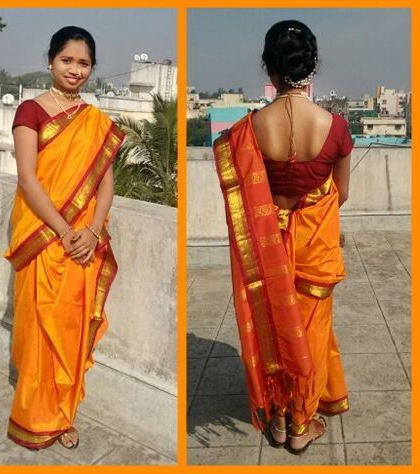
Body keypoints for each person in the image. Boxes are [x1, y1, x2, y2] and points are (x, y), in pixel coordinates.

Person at [213, 20, 352, 455]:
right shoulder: (336, 127)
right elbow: (340, 193)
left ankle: (276, 418)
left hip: (265, 242)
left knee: (271, 326)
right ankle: (301, 424)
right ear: (311, 66)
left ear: (269, 71)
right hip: (317, 244)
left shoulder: (250, 128)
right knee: (308, 331)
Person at [4, 26, 125, 450]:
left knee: (72, 331)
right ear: (51, 60)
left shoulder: (96, 122)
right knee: (40, 329)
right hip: (45, 237)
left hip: (83, 243)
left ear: (93, 68)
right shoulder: (31, 112)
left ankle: (64, 413)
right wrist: (66, 230)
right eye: (67, 60)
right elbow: (28, 179)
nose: (75, 70)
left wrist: (91, 232)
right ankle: (36, 415)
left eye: (84, 63)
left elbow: (106, 184)